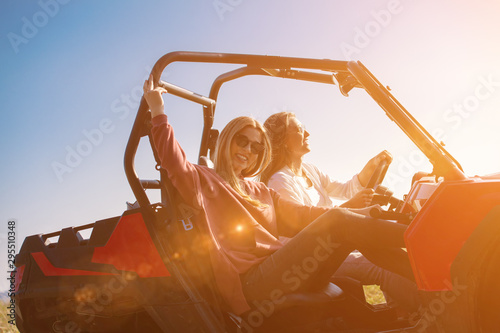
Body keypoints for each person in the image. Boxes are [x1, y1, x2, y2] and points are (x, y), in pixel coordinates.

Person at [143, 75, 414, 317]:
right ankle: (422, 237)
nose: (248, 150)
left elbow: (303, 215)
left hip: (284, 268)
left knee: (350, 249)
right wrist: (157, 109)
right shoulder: (203, 179)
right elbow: (172, 160)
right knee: (339, 221)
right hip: (253, 281)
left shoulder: (261, 190)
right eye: (243, 141)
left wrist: (362, 214)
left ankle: (429, 273)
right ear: (227, 140)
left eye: (257, 147)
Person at [261, 111, 419, 312]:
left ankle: (398, 310)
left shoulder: (310, 170)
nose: (307, 133)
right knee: (380, 269)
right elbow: (303, 231)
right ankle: (428, 312)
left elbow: (346, 190)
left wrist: (369, 169)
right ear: (284, 141)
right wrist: (352, 207)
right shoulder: (279, 182)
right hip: (312, 258)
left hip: (333, 245)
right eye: (300, 130)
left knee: (383, 251)